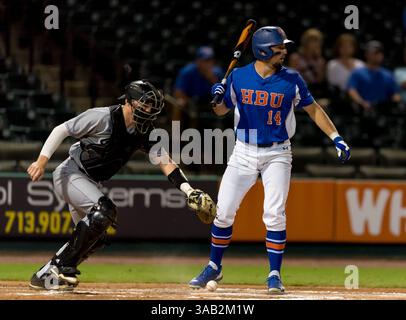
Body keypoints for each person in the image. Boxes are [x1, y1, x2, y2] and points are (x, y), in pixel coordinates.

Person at [189, 26, 351, 294]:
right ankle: (214, 266)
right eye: (279, 47)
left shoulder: (292, 79)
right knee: (223, 211)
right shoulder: (238, 77)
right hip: (243, 150)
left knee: (274, 214)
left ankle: (274, 274)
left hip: (278, 152)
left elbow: (313, 109)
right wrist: (217, 96)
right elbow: (219, 111)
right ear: (264, 50)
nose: (284, 51)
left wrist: (336, 136)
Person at [27, 80, 214, 290]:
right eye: (143, 105)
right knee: (103, 212)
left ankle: (46, 276)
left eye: (150, 107)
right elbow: (62, 129)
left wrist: (188, 190)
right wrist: (41, 162)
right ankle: (61, 267)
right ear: (128, 101)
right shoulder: (103, 117)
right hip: (71, 174)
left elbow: (166, 161)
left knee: (95, 237)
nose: (148, 110)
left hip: (89, 181)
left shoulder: (144, 131)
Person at [173, 46, 223, 127]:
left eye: (210, 60)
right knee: (179, 104)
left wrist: (211, 78)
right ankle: (175, 135)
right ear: (198, 61)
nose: (208, 63)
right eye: (205, 61)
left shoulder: (217, 72)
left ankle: (222, 136)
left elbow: (222, 94)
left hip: (210, 103)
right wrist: (187, 101)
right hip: (190, 101)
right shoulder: (188, 71)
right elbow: (178, 92)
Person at [347, 40, 401, 112]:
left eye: (380, 53)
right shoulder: (357, 73)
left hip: (383, 111)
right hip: (363, 111)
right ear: (366, 54)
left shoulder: (388, 75)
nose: (378, 55)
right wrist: (362, 102)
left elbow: (395, 93)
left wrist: (394, 103)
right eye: (374, 53)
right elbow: (351, 90)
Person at [288, 28, 326, 97]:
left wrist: (318, 59)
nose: (315, 44)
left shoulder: (321, 61)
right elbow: (292, 79)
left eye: (317, 41)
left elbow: (319, 80)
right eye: (312, 41)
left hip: (314, 92)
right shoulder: (295, 58)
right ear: (305, 42)